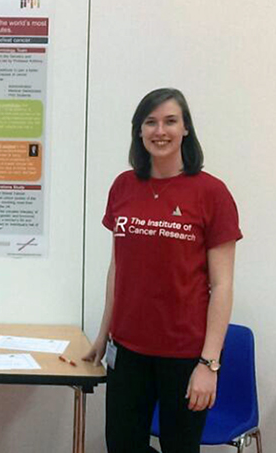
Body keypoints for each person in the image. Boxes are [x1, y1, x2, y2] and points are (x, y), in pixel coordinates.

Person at [83, 88, 242, 452]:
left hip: (184, 356)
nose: (160, 130)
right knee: (122, 447)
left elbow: (223, 285)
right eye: (150, 122)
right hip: (127, 351)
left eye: (171, 121)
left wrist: (208, 364)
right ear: (139, 131)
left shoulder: (211, 193)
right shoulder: (124, 186)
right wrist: (103, 335)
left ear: (186, 129)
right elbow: (118, 268)